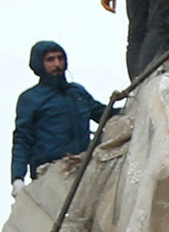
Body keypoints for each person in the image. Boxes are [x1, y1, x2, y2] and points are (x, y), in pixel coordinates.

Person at [11, 41, 109, 183]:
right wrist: (17, 177)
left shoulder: (77, 93)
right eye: (50, 60)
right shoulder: (31, 99)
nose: (57, 64)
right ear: (39, 64)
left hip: (84, 168)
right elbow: (22, 139)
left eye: (60, 58)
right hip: (49, 173)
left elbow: (103, 114)